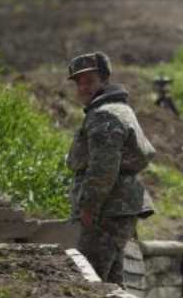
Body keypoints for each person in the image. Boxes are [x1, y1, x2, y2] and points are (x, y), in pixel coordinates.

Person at [65, 52, 155, 285]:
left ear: (104, 80)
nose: (83, 87)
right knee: (112, 284)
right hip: (117, 208)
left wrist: (89, 207)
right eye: (79, 82)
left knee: (90, 281)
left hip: (107, 211)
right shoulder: (118, 109)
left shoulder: (104, 115)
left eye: (90, 81)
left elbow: (102, 169)